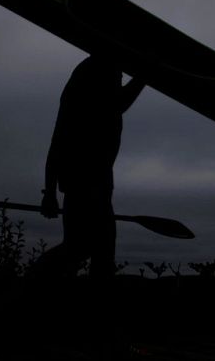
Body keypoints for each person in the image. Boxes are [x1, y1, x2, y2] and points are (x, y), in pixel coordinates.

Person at [38, 55, 145, 278]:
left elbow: (57, 140)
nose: (120, 78)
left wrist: (50, 191)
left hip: (92, 180)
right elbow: (118, 103)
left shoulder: (93, 70)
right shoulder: (98, 68)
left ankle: (43, 280)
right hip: (85, 181)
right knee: (86, 248)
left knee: (95, 251)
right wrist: (147, 74)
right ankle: (38, 278)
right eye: (121, 76)